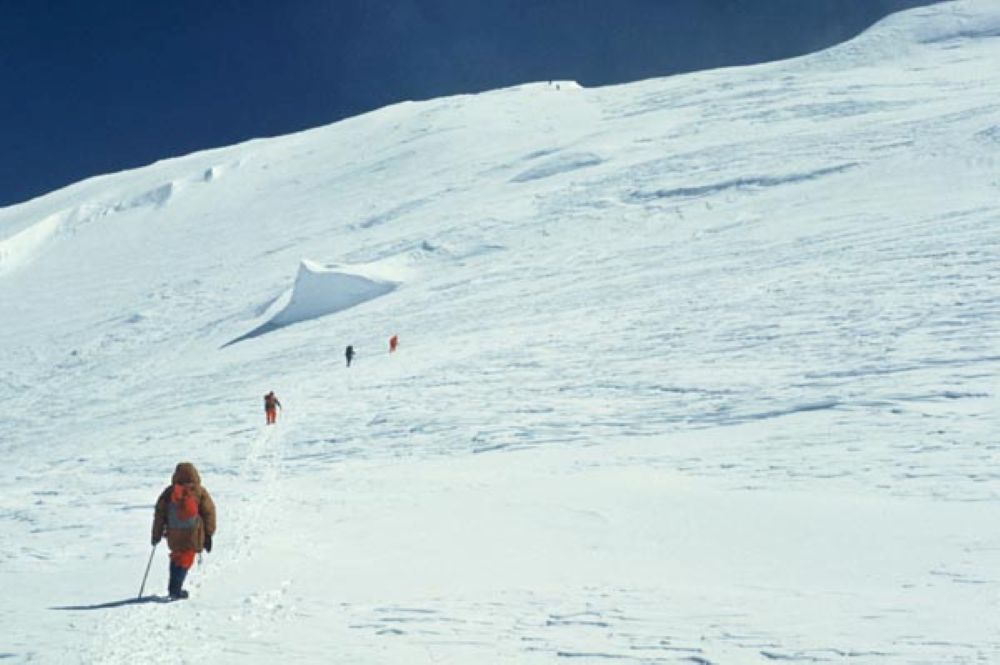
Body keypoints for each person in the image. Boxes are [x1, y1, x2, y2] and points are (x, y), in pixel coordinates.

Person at [151, 462, 216, 600]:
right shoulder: (199, 491)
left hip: (174, 534)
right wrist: (208, 534)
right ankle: (175, 590)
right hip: (193, 534)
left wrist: (156, 535)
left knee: (177, 557)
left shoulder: (169, 492)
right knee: (185, 559)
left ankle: (174, 588)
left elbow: (159, 514)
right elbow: (209, 512)